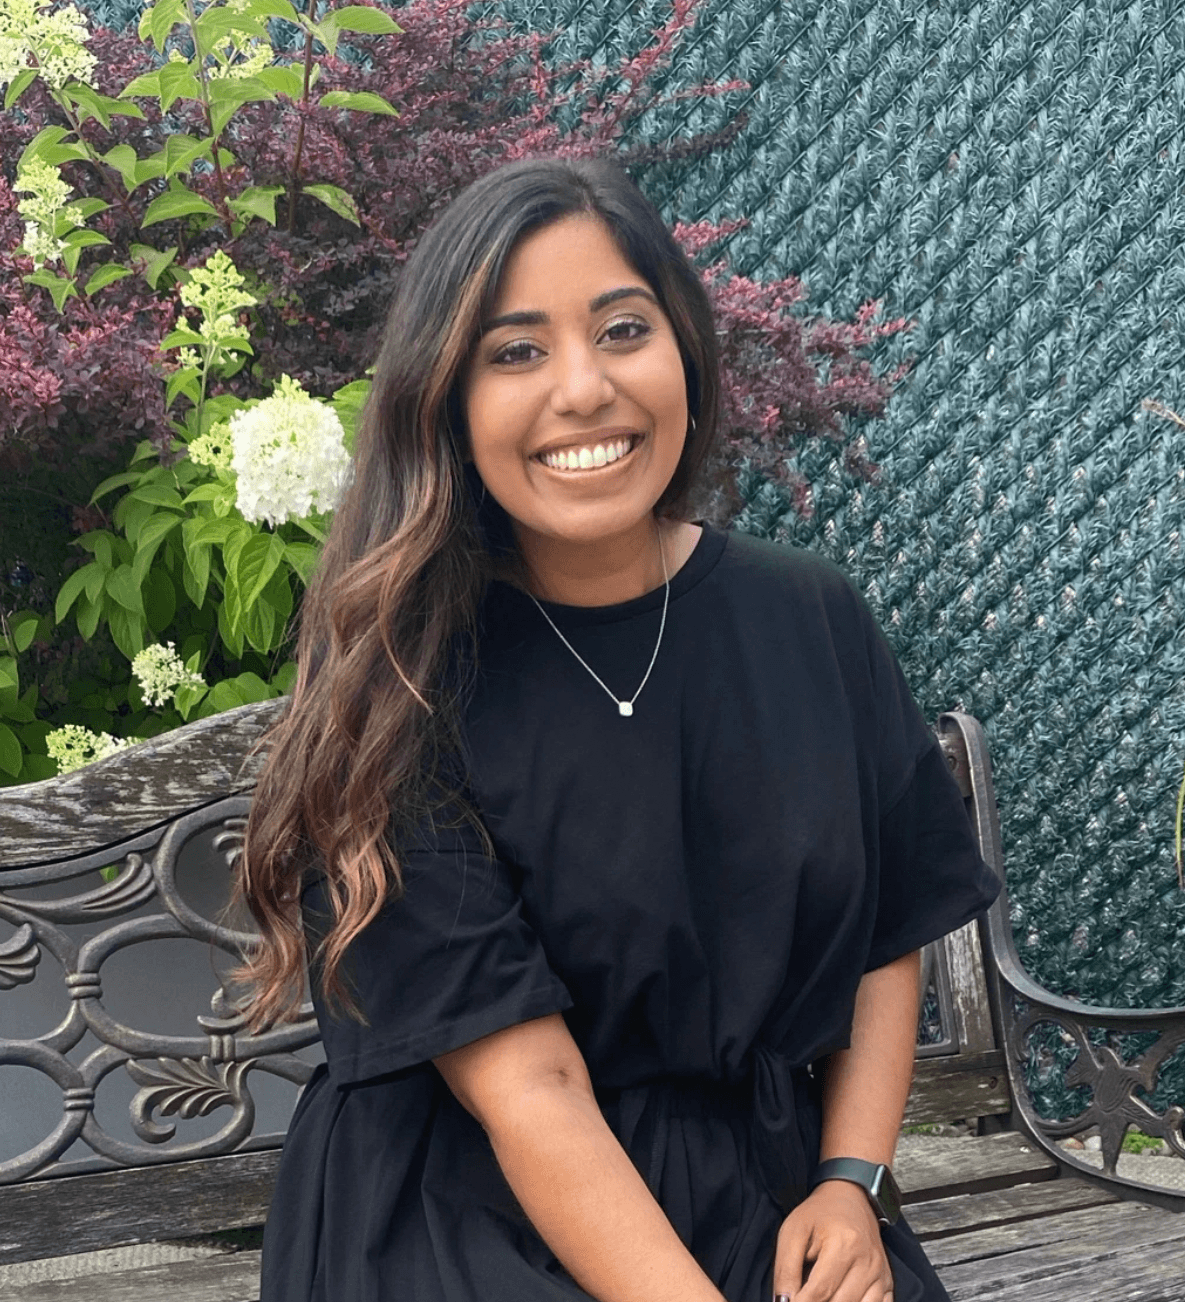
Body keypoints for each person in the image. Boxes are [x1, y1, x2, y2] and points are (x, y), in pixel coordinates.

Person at [237, 154, 1002, 1302]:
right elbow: (528, 1090)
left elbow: (888, 928)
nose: (584, 388)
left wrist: (851, 1180)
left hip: (767, 1186)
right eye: (516, 352)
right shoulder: (398, 680)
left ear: (683, 348)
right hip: (465, 1202)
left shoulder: (807, 617)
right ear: (445, 401)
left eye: (623, 330)